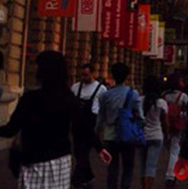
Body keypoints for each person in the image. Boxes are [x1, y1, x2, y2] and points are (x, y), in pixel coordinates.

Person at [0, 51, 111, 189]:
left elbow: (11, 129)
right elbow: (84, 127)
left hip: (32, 161)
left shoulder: (30, 99)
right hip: (60, 162)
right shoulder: (69, 99)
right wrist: (100, 148)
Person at [97, 62, 143, 189]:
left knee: (112, 167)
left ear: (112, 76)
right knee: (128, 167)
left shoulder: (105, 95)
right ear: (127, 77)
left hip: (110, 135)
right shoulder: (133, 94)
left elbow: (101, 117)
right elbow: (140, 116)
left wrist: (96, 133)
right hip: (128, 135)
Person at [70, 62, 107, 188]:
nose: (84, 77)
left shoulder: (101, 89)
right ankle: (89, 176)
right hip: (77, 125)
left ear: (93, 73)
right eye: (82, 75)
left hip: (91, 124)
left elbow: (103, 108)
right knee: (78, 151)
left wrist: (101, 125)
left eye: (86, 74)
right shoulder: (75, 87)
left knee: (84, 152)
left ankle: (76, 179)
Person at [139, 76, 167, 189]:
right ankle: (148, 187)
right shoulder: (161, 103)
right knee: (151, 165)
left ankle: (143, 186)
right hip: (156, 135)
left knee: (142, 164)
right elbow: (165, 121)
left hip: (142, 135)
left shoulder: (140, 100)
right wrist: (167, 134)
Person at [162, 73, 188, 188]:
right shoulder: (183, 96)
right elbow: (186, 112)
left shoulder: (164, 96)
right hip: (177, 125)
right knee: (175, 150)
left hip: (165, 125)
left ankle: (170, 172)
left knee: (169, 148)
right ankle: (170, 175)